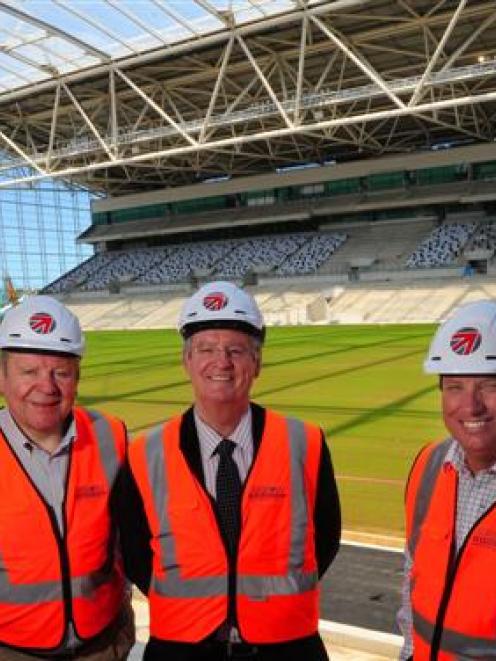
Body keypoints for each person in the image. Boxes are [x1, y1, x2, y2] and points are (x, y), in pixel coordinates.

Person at [126, 281, 341, 661]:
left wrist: (267, 605)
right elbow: (134, 551)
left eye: (236, 350)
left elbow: (325, 537)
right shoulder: (146, 452)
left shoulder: (303, 442)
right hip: (181, 649)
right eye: (206, 349)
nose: (221, 362)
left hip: (287, 648)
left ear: (256, 363)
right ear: (186, 361)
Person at [0, 295, 134, 660]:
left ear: (78, 378)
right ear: (2, 376)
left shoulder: (112, 436)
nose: (46, 386)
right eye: (29, 372)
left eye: (60, 372)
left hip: (104, 644)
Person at [398, 299, 496, 660]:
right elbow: (413, 575)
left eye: (489, 386)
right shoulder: (429, 465)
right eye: (455, 386)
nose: (471, 407)